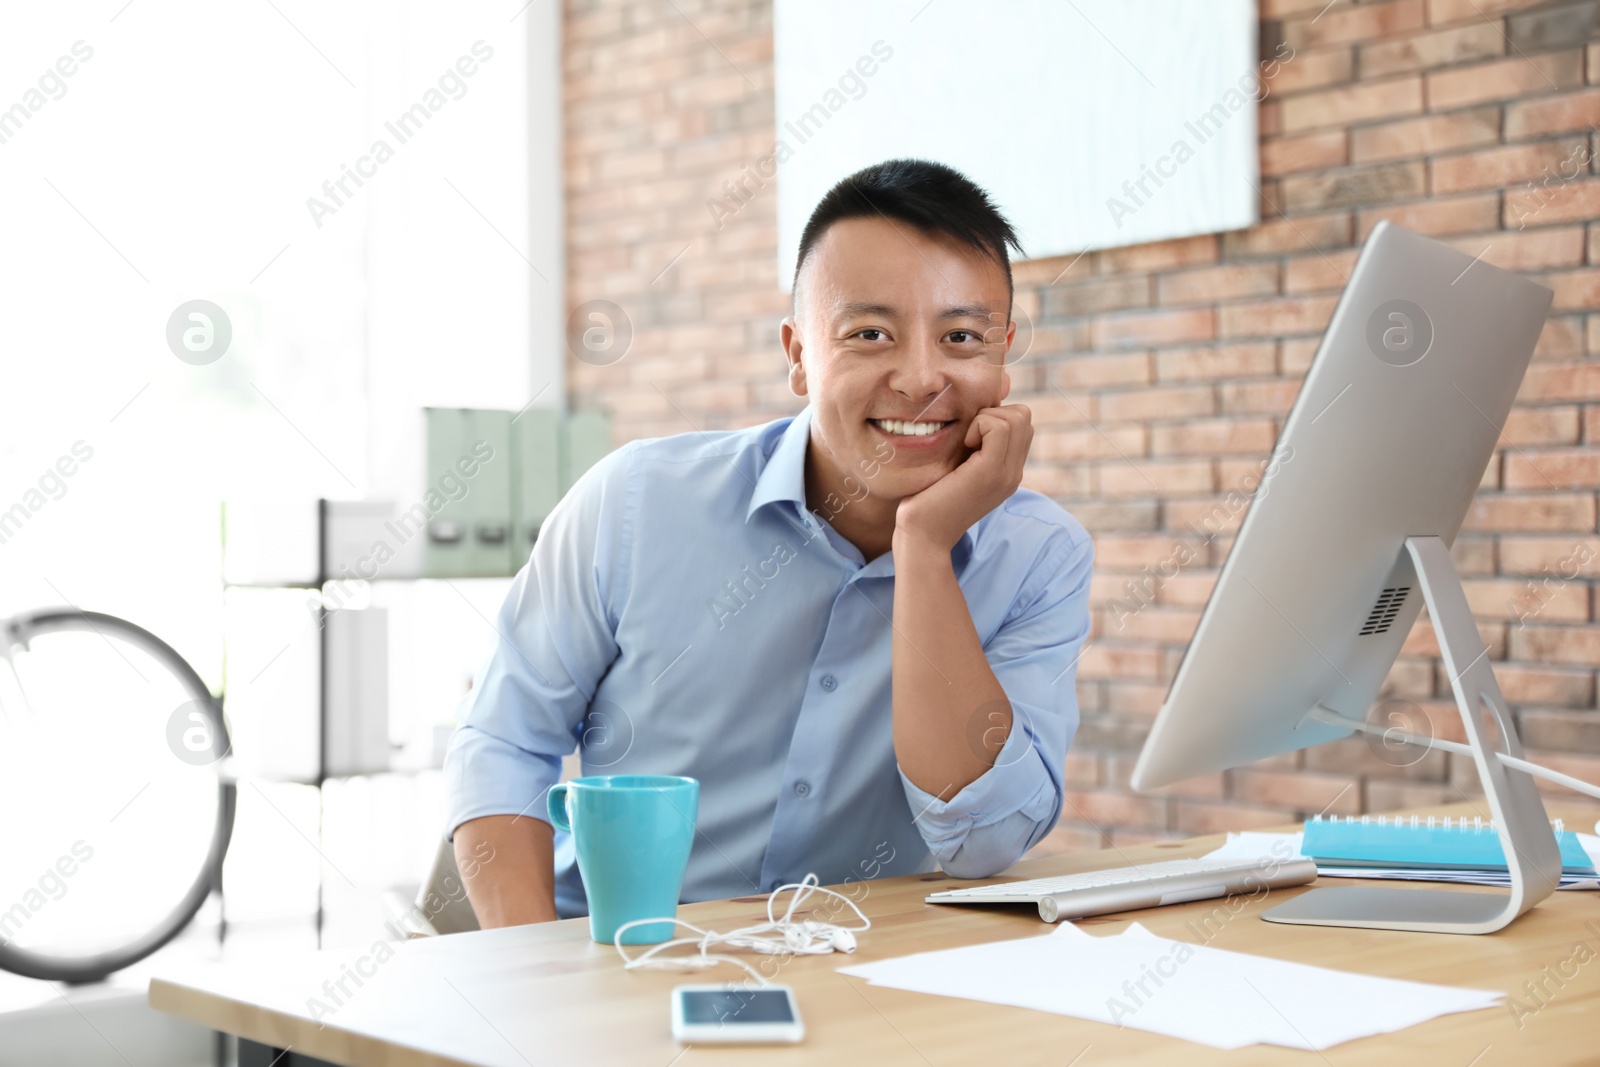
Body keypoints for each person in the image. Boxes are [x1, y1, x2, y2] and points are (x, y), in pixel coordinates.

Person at [444, 158, 1094, 927]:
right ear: (797, 354)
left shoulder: (1040, 558)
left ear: (1003, 354)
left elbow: (984, 841)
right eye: (870, 333)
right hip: (613, 961)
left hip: (854, 982)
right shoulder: (634, 503)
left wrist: (923, 545)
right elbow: (504, 741)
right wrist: (542, 975)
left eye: (961, 336)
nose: (922, 377)